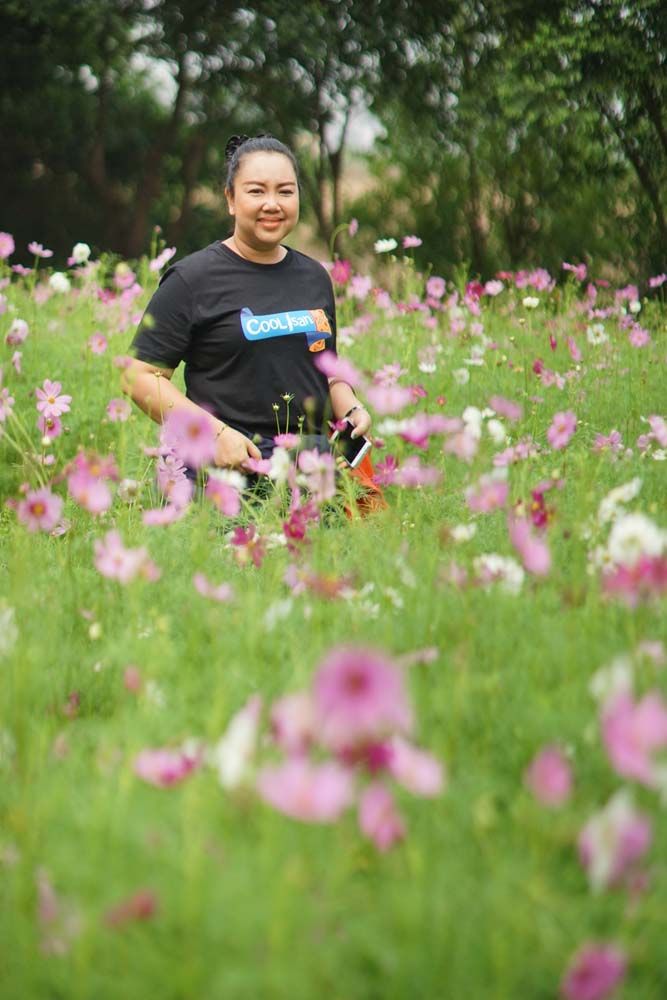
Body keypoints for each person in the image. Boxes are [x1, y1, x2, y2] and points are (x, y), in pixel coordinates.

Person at [123, 133, 372, 483]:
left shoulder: (315, 278)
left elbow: (323, 370)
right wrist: (215, 435)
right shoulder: (192, 279)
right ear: (230, 198)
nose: (272, 204)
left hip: (309, 476)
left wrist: (351, 408)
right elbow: (139, 376)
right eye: (256, 191)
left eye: (285, 191)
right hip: (223, 476)